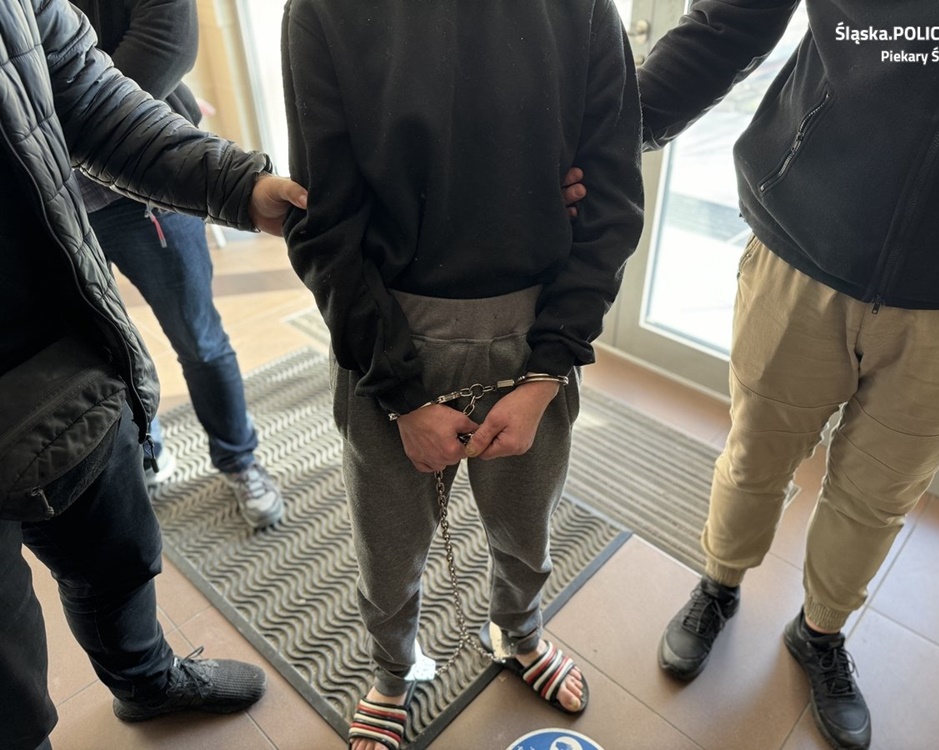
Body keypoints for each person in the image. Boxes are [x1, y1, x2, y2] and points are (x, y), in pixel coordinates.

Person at [626, 2, 939, 749]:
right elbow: (731, 21)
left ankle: (819, 632)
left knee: (878, 497)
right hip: (803, 243)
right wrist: (603, 131)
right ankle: (719, 584)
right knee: (755, 453)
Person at [281, 2, 644, 747]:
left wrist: (546, 372)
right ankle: (392, 670)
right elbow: (326, 223)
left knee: (527, 523)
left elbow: (612, 200)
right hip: (390, 328)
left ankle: (520, 632)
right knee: (388, 542)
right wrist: (402, 396)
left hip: (535, 328)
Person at [0, 1, 308, 748]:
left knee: (119, 554)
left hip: (59, 352)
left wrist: (237, 185)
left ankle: (146, 682)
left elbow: (82, 86)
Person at [71, 0, 285, 530]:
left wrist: (54, 132)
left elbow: (167, 43)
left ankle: (238, 459)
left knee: (199, 339)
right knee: (99, 351)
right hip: (53, 205)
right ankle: (147, 450)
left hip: (150, 187)